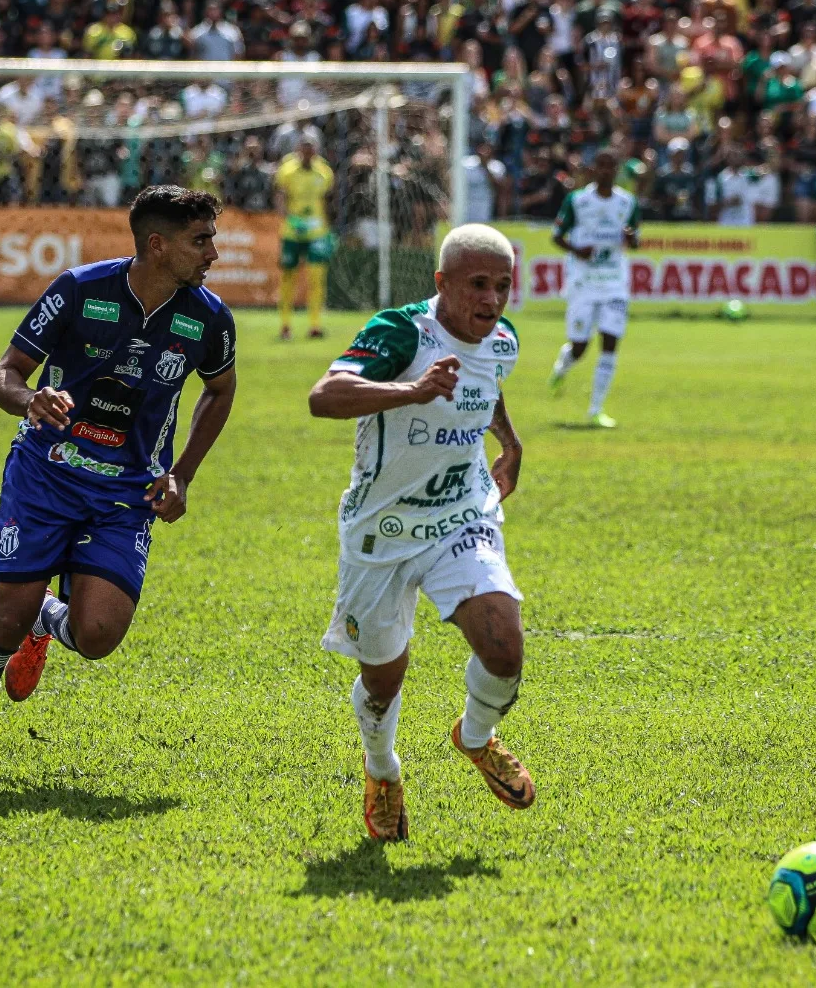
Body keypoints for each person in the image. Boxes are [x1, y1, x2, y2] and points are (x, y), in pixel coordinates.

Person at [0, 186, 238, 783]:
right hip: (46, 475)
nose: (214, 253)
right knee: (2, 623)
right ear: (158, 244)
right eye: (201, 240)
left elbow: (220, 389)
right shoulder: (79, 289)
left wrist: (180, 475)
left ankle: (48, 619)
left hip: (127, 492)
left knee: (97, 636)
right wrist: (29, 399)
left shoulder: (209, 316)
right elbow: (4, 375)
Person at [307, 223, 532, 841]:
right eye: (478, 285)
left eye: (503, 286)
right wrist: (412, 388)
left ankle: (476, 737)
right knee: (383, 678)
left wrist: (508, 443)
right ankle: (382, 769)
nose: (491, 300)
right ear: (442, 283)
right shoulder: (402, 331)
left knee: (505, 648)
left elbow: (486, 387)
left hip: (462, 514)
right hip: (381, 529)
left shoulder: (504, 338)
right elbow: (324, 396)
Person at [547, 149, 641, 428]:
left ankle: (596, 409)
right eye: (601, 165)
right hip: (583, 282)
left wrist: (631, 239)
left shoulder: (628, 202)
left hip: (614, 282)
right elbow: (556, 236)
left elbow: (635, 242)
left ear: (617, 170)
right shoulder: (577, 200)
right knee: (580, 346)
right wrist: (578, 250)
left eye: (611, 166)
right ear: (593, 169)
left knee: (610, 342)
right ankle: (563, 365)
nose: (606, 171)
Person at [274, 130, 335, 340]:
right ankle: (285, 325)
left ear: (315, 151)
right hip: (293, 231)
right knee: (288, 278)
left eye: (311, 149)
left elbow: (328, 200)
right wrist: (287, 218)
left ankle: (315, 325)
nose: (308, 153)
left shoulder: (324, 172)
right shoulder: (287, 170)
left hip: (317, 232)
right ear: (299, 150)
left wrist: (329, 228)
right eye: (304, 148)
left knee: (316, 279)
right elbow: (281, 196)